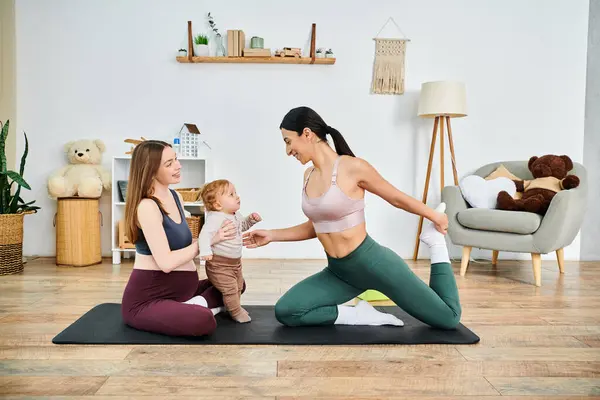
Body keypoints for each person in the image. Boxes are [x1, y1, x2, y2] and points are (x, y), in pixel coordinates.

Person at [243, 106, 462, 329]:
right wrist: (271, 235)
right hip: (339, 272)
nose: (288, 151)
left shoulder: (352, 167)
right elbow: (317, 227)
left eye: (288, 141)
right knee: (287, 311)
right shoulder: (308, 175)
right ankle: (359, 315)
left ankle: (435, 243)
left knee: (448, 318)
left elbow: (395, 197)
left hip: (374, 265)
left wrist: (434, 215)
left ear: (307, 134)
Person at [120, 140, 241, 337]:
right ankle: (199, 309)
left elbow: (187, 243)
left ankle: (191, 306)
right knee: (203, 321)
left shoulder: (175, 196)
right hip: (148, 300)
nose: (178, 165)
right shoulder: (147, 207)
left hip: (185, 291)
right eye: (169, 164)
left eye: (175, 159)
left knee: (236, 284)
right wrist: (208, 242)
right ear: (150, 170)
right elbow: (166, 263)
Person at [197, 179, 262, 323]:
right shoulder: (215, 218)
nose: (237, 196)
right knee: (230, 288)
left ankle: (233, 306)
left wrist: (250, 220)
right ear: (218, 205)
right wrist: (206, 251)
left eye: (236, 193)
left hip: (235, 263)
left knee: (238, 285)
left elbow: (242, 226)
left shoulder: (234, 214)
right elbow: (204, 235)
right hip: (219, 265)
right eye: (231, 194)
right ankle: (236, 311)